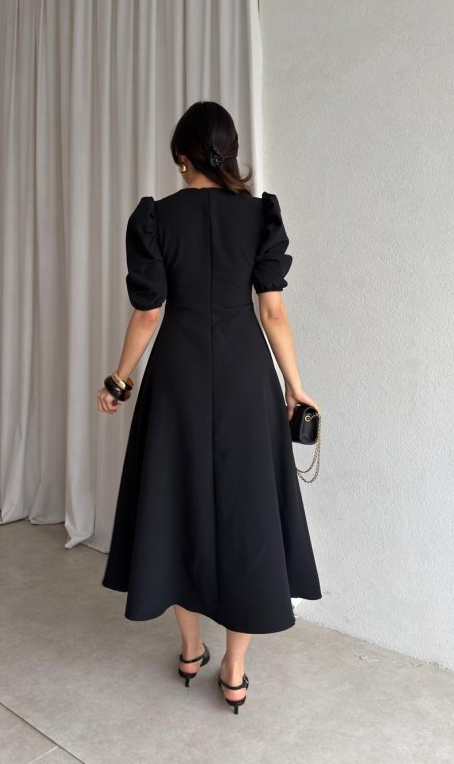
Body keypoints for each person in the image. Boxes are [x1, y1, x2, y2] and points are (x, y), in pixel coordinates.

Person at [97, 100, 321, 714]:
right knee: (249, 514)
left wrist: (119, 379)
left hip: (179, 375)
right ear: (232, 153)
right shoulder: (260, 215)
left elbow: (149, 314)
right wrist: (295, 386)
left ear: (181, 157)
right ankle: (235, 668)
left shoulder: (156, 218)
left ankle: (191, 649)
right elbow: (272, 312)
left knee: (177, 504)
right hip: (247, 376)